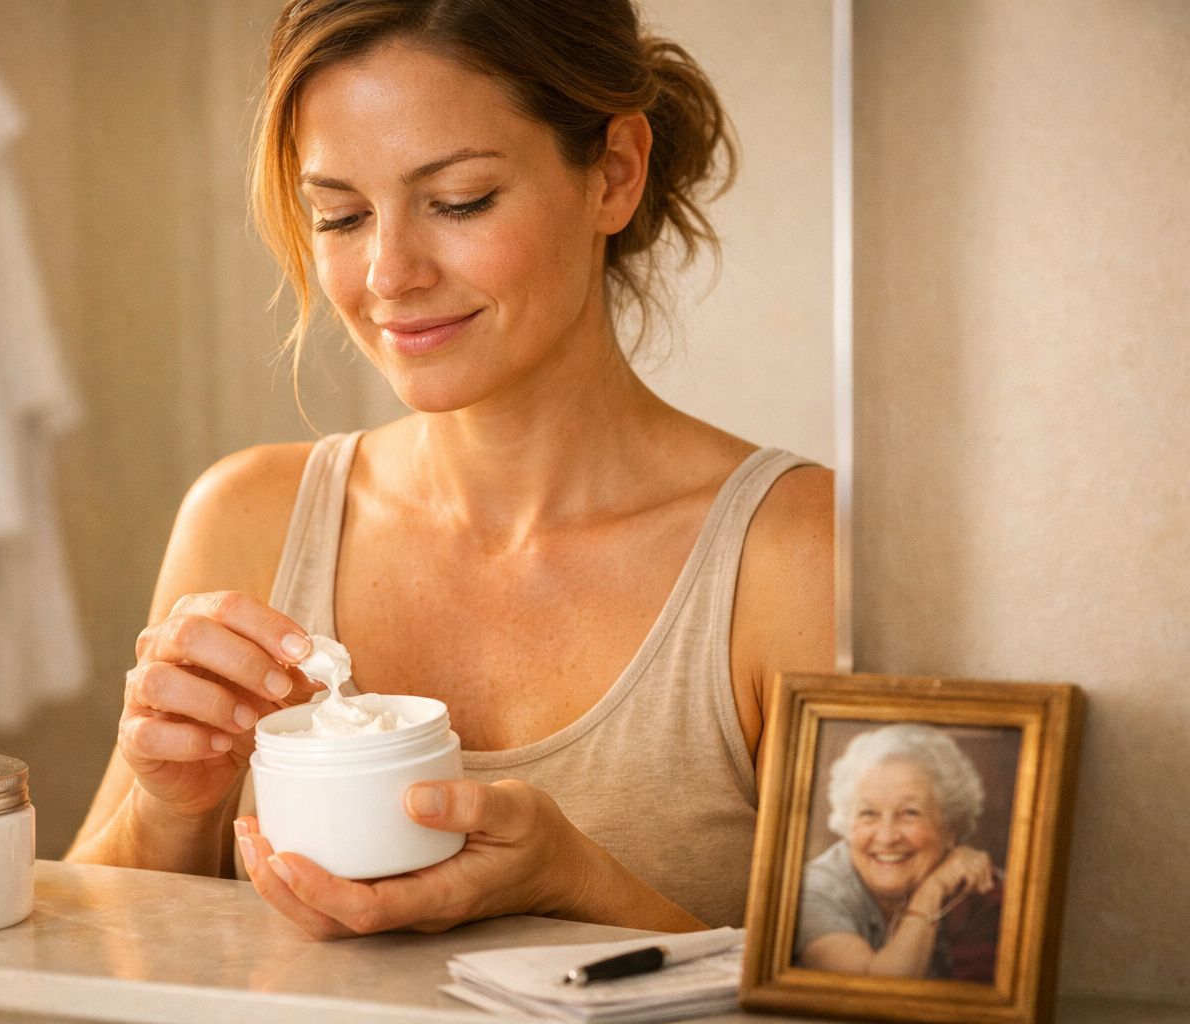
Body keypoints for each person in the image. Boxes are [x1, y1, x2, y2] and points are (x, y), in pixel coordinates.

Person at [65, 0, 834, 940]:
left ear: (615, 174)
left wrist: (577, 886)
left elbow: (874, 1002)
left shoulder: (796, 557)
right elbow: (79, 967)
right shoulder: (248, 519)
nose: (389, 273)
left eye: (459, 201)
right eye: (340, 215)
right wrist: (171, 810)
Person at [794, 723, 1004, 981]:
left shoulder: (981, 890)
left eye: (909, 813)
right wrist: (931, 892)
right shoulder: (812, 892)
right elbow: (879, 991)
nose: (887, 837)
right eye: (868, 813)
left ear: (951, 825)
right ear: (847, 823)